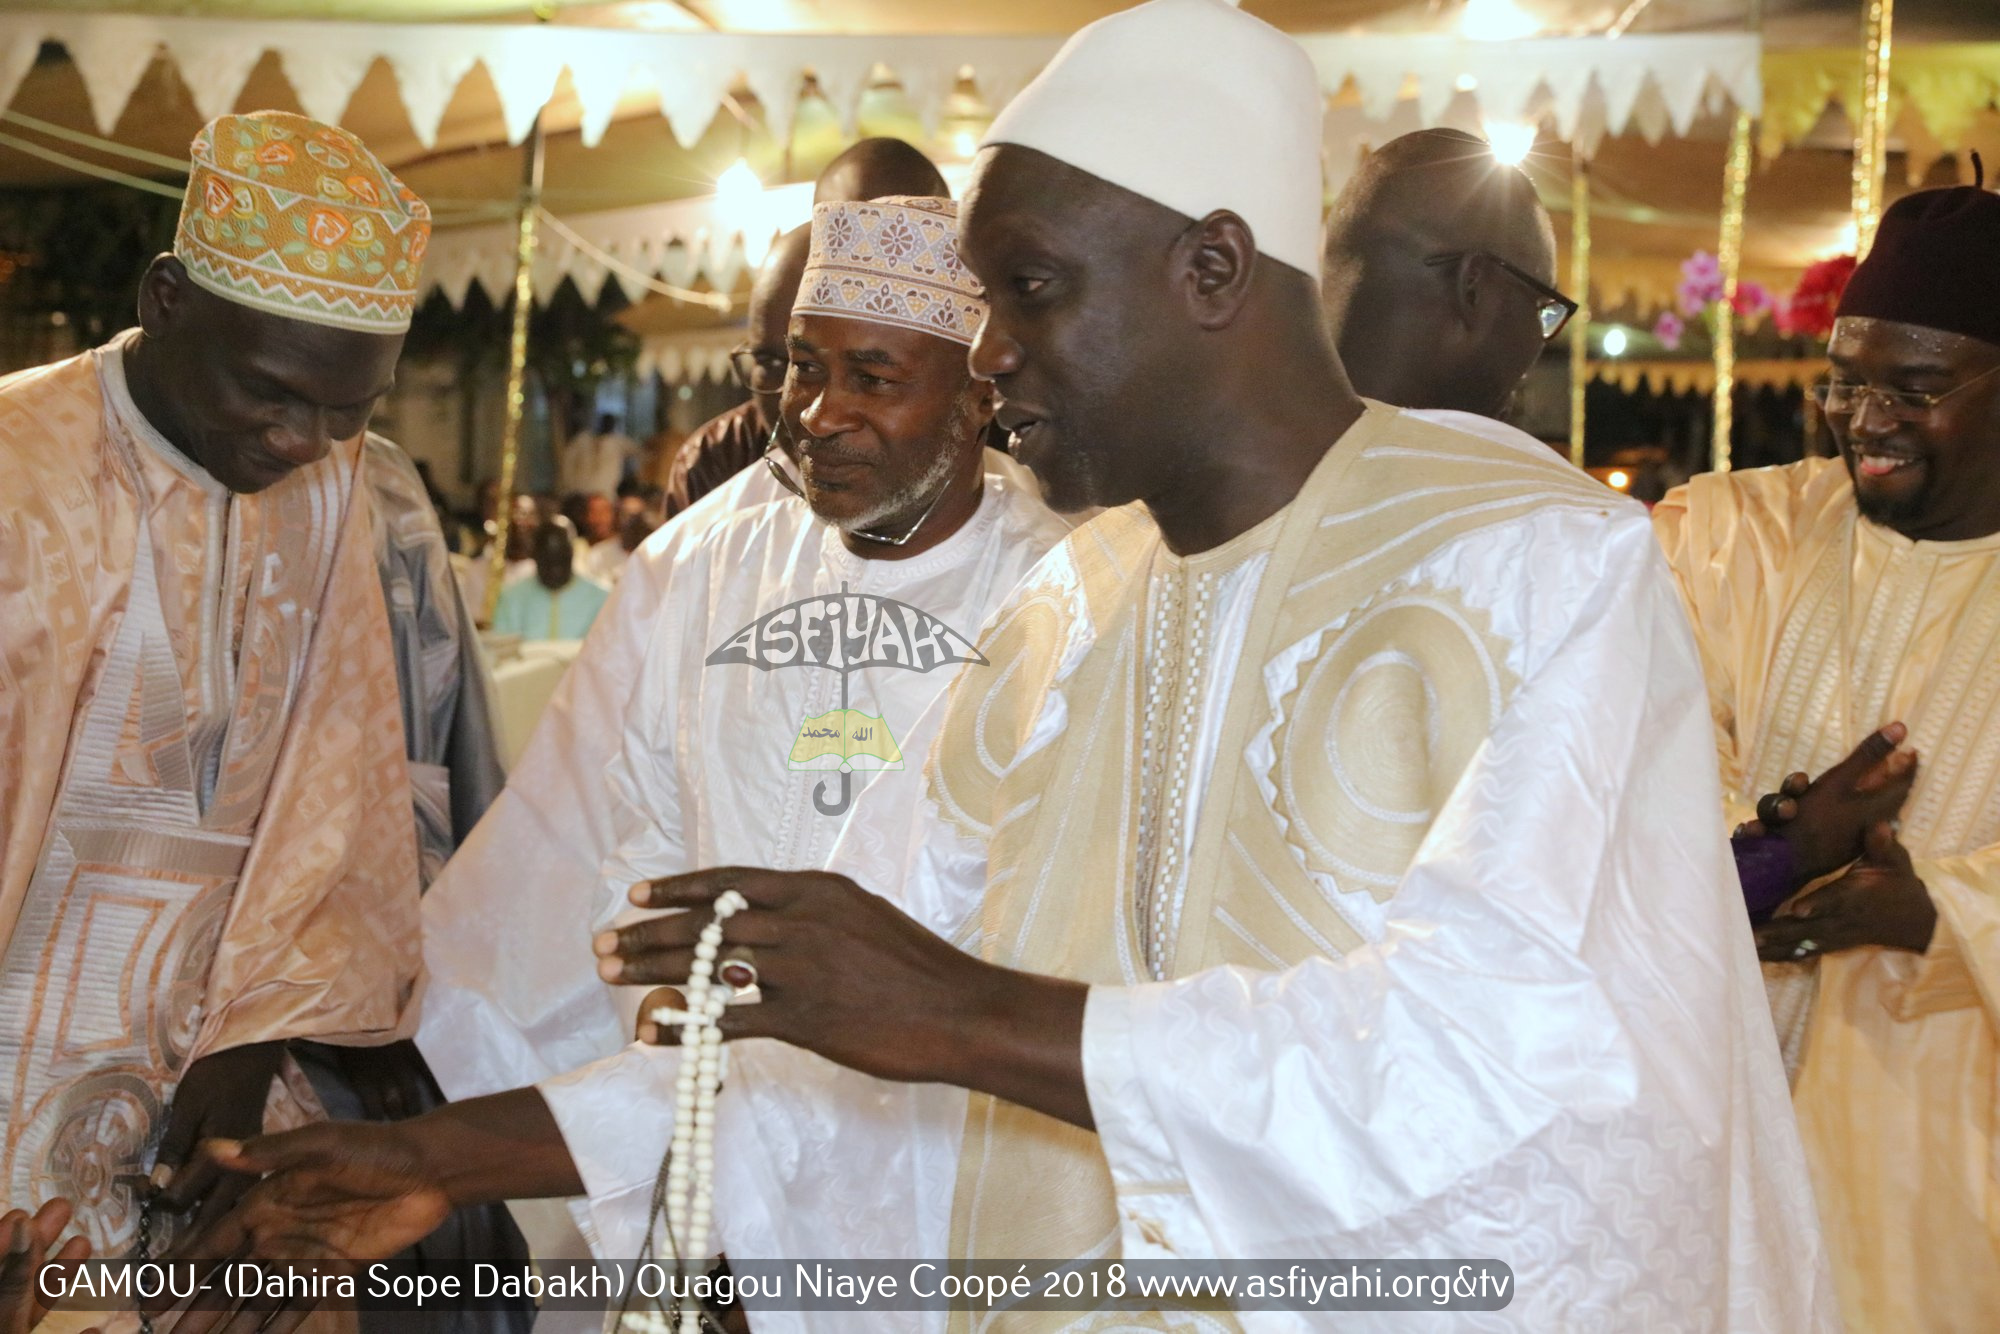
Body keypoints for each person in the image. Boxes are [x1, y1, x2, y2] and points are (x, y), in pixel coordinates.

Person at [166, 7, 1829, 1329]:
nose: (997, 352)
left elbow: (1502, 1045)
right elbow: (831, 1024)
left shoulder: (1539, 559)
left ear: (1215, 269)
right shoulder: (1074, 601)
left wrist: (969, 1015)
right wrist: (435, 1154)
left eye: (1028, 289)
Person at [417, 194, 1069, 1101]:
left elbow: (1052, 907)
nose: (819, 413)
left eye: (873, 379)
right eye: (804, 367)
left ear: (976, 394)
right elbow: (646, 824)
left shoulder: (1057, 592)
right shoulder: (715, 564)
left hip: (932, 1137)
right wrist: (656, 999)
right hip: (713, 1120)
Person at [0, 109, 435, 1256]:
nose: (306, 439)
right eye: (275, 391)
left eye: (352, 407)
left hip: (214, 1056)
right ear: (166, 299)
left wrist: (253, 1034)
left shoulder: (338, 487)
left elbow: (336, 771)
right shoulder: (16, 460)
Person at [1654, 165, 2000, 1329]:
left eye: (1915, 386)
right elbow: (1616, 753)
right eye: (1843, 383)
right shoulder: (1722, 536)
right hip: (1709, 1121)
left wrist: (1936, 911)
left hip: (1946, 1166)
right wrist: (1770, 849)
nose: (1866, 419)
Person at [664, 138, 952, 520]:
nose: (816, 414)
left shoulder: (994, 453)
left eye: (873, 376)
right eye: (792, 363)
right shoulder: (720, 462)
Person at [1322, 127, 1572, 418]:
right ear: (1473, 286)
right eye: (1542, 309)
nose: (1541, 341)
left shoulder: (1265, 438)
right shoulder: (1494, 463)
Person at [489, 519, 610, 642]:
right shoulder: (511, 598)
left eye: (560, 560)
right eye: (547, 561)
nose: (554, 570)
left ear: (572, 554)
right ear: (534, 556)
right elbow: (502, 650)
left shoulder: (601, 599)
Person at [559, 411, 637, 498]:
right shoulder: (581, 440)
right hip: (579, 490)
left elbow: (638, 450)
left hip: (605, 492)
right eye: (605, 423)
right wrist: (568, 483)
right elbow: (567, 463)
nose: (608, 426)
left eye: (610, 424)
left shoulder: (617, 442)